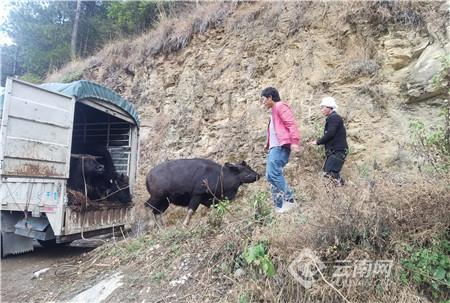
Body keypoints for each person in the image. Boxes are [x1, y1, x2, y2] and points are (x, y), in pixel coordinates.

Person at [260, 87, 301, 214]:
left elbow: (291, 124)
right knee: (269, 175)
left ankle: (290, 201)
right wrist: (268, 144)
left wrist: (294, 142)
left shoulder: (280, 106)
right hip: (274, 147)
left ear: (270, 97)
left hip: (280, 147)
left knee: (274, 173)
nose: (262, 103)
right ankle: (279, 205)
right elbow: (276, 130)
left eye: (263, 99)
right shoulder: (273, 111)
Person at [308, 96, 348, 186]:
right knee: (329, 173)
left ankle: (346, 188)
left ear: (329, 107)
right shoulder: (332, 118)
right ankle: (345, 189)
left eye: (323, 107)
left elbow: (330, 134)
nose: (321, 109)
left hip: (338, 151)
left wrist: (317, 142)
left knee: (330, 172)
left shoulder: (334, 118)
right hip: (335, 151)